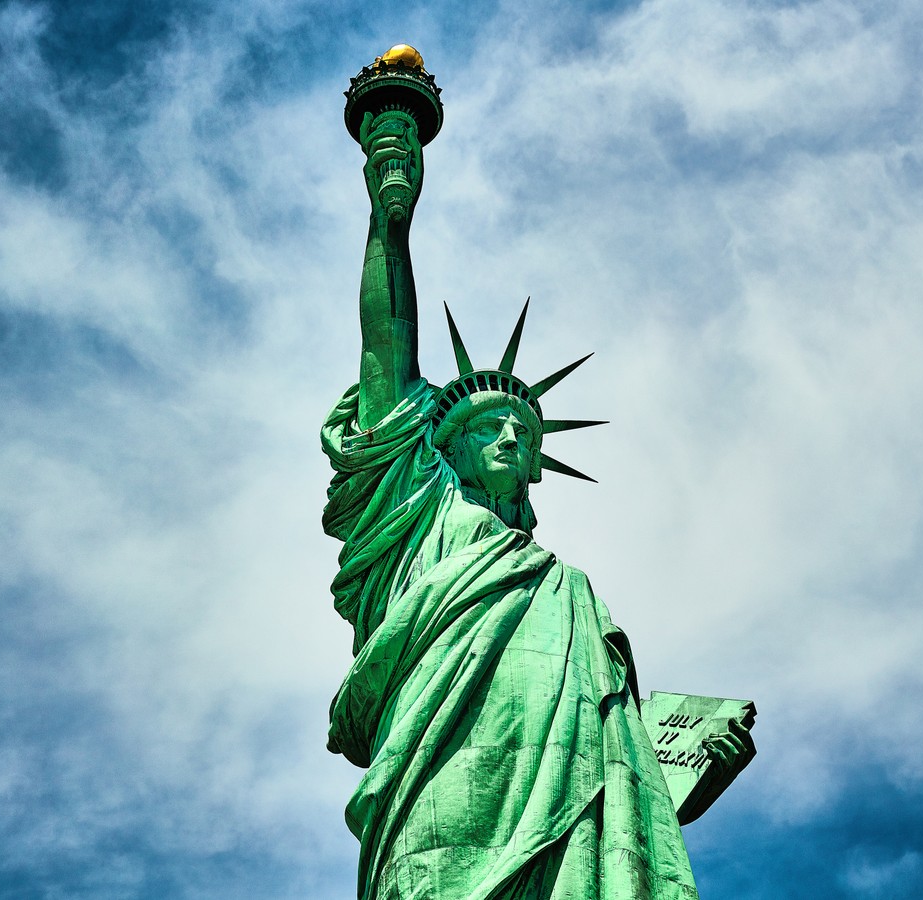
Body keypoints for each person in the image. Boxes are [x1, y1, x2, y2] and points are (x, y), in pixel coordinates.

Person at [322, 107, 752, 900]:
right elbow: (386, 350)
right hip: (439, 790)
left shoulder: (569, 592)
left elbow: (605, 755)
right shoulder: (419, 520)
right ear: (434, 453)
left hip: (568, 821)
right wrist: (390, 219)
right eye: (487, 426)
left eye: (520, 432)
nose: (507, 440)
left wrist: (678, 771)